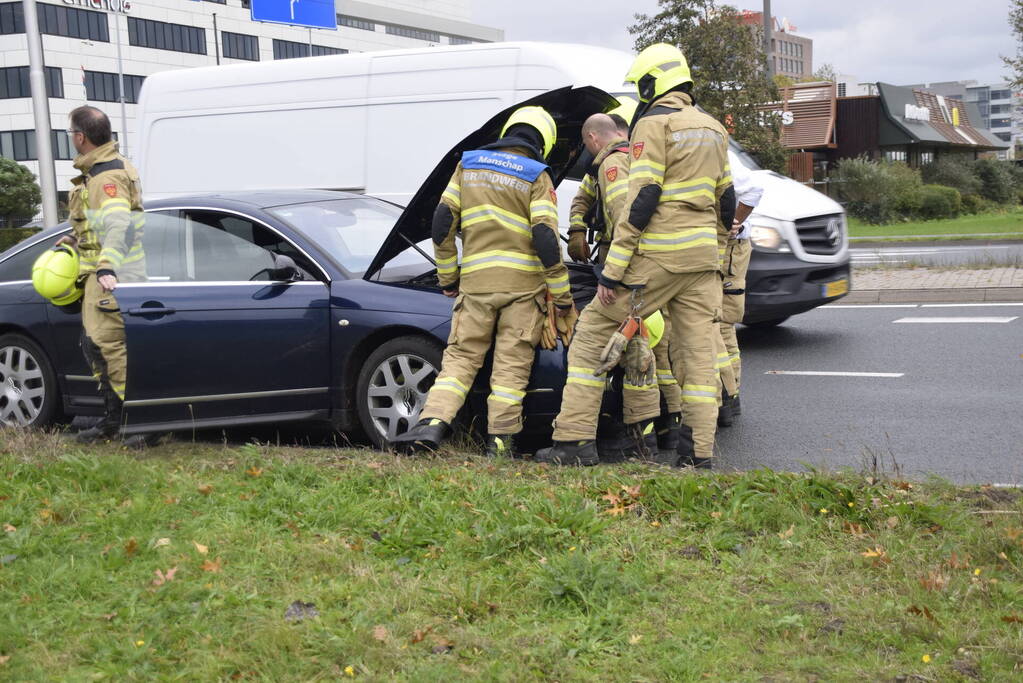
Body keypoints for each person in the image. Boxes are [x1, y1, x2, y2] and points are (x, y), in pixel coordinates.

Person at [536, 43, 733, 469]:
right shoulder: (715, 128)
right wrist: (714, 252)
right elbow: (728, 200)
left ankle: (572, 444)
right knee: (698, 357)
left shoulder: (651, 126)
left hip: (655, 260)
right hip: (702, 263)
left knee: (590, 339)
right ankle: (697, 455)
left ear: (652, 82)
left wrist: (613, 272)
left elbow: (641, 201)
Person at [392, 106, 576, 457]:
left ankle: (431, 424)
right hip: (522, 291)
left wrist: (449, 276)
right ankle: (499, 444)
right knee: (510, 367)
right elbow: (546, 239)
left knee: (460, 359)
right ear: (544, 141)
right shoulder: (537, 175)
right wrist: (562, 297)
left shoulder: (468, 165)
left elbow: (442, 221)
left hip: (475, 285)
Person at [577, 112, 681, 459]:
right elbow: (584, 200)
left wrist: (616, 273)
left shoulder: (612, 165)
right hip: (653, 267)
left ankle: (640, 442)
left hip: (630, 270)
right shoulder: (629, 158)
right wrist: (578, 227)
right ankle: (660, 434)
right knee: (652, 350)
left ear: (593, 138)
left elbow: (626, 215)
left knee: (637, 353)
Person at [58, 106, 146, 443]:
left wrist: (107, 265)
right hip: (108, 272)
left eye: (71, 135)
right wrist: (75, 238)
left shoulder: (105, 176)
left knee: (107, 347)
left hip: (110, 276)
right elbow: (101, 223)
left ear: (81, 137)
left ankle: (131, 422)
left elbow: (119, 224)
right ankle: (117, 420)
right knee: (99, 345)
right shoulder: (105, 169)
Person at [716, 155, 764, 420]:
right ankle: (724, 395)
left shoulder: (718, 149)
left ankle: (729, 397)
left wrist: (731, 224)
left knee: (722, 324)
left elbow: (754, 190)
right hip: (712, 248)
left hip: (729, 249)